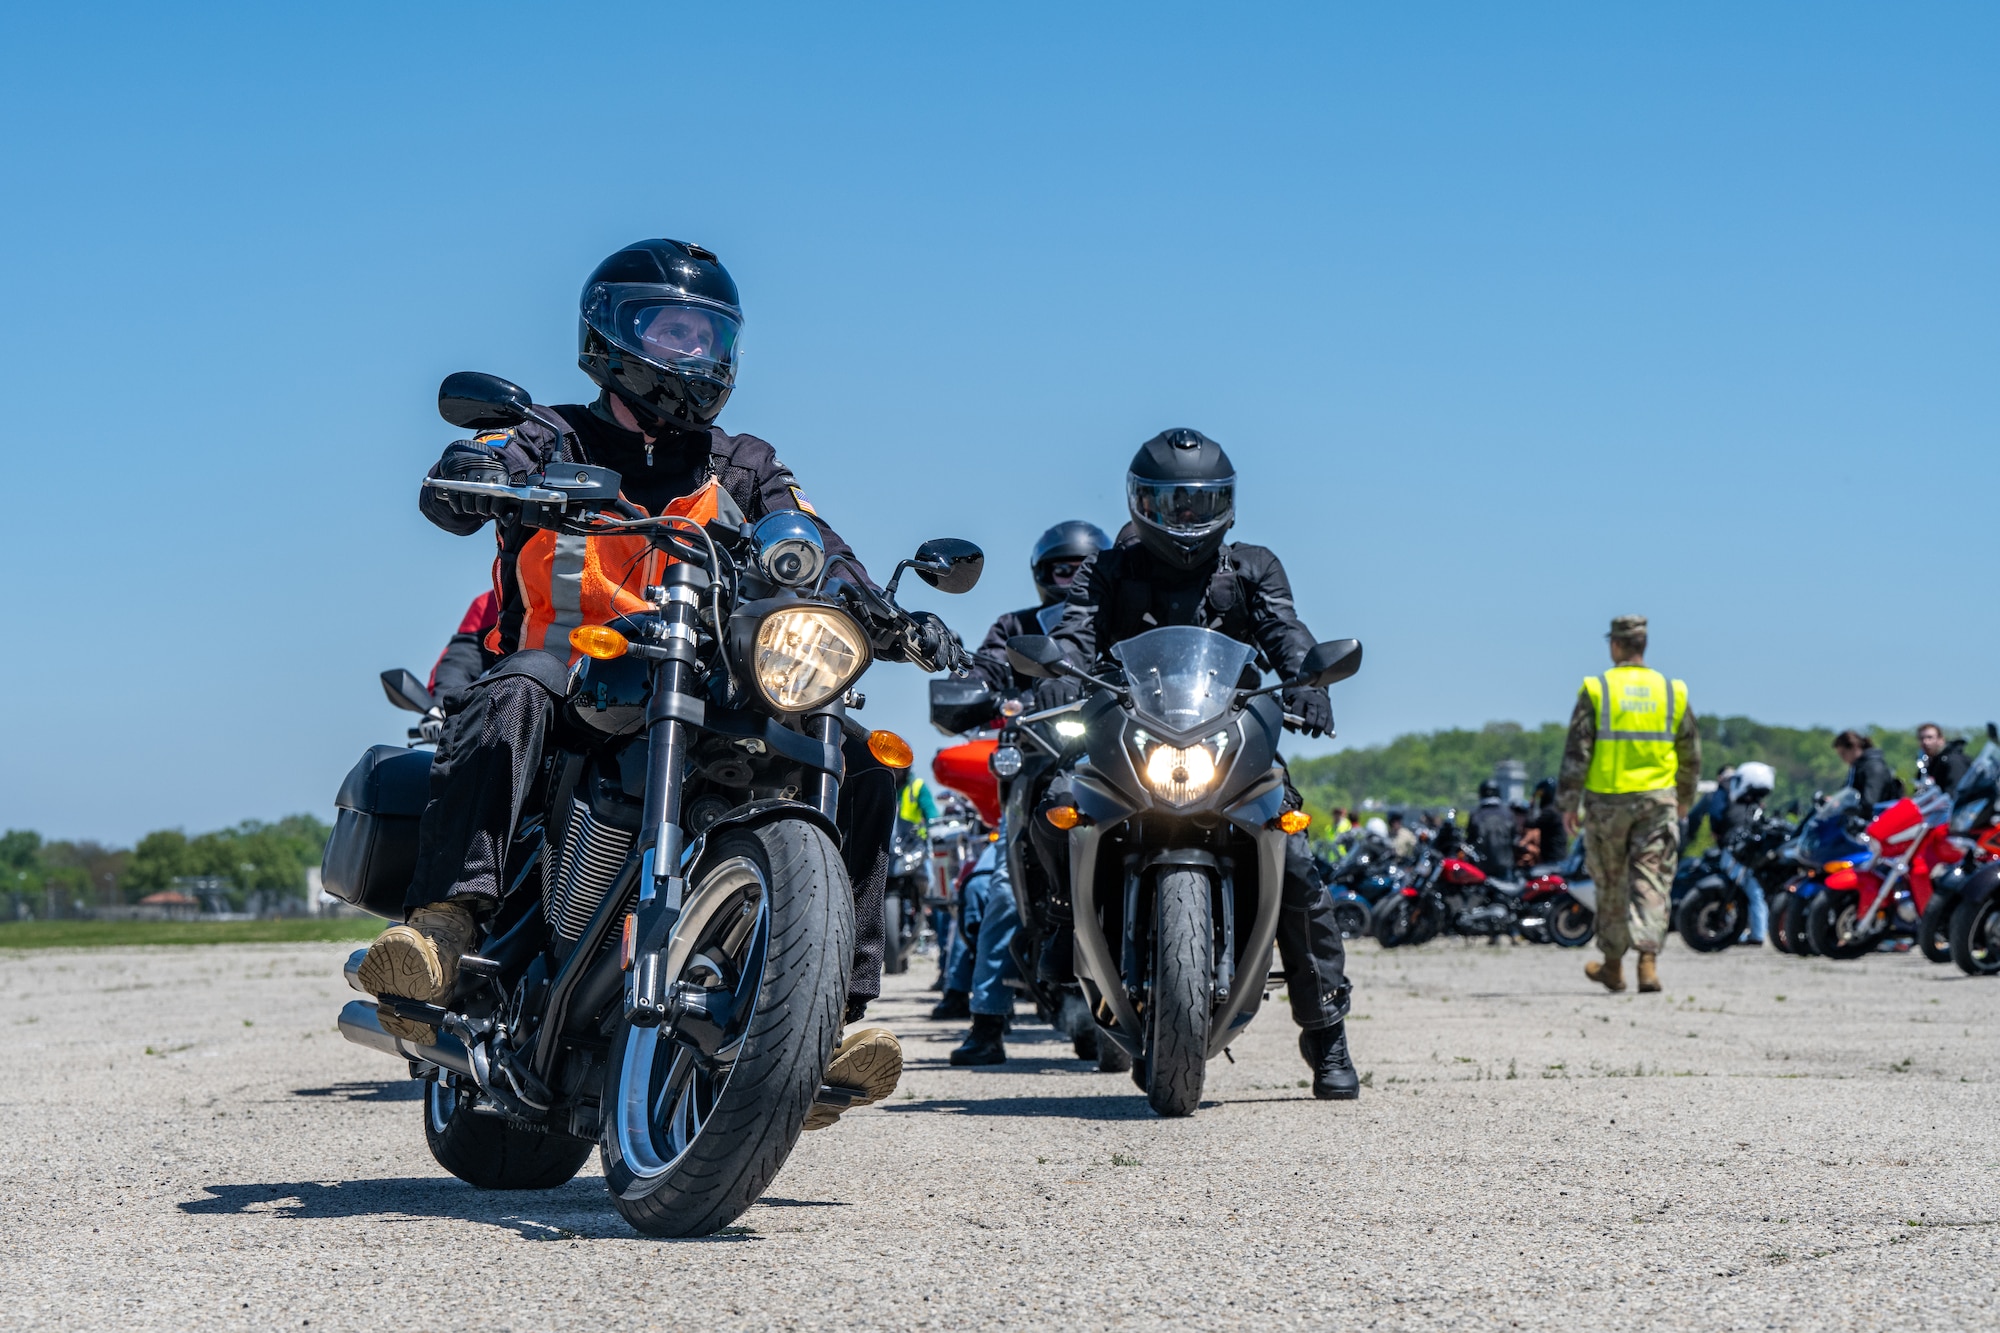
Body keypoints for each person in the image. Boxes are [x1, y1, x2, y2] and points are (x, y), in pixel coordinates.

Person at [356, 238, 938, 1129]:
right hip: (571, 676)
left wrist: (880, 605)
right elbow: (486, 464)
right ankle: (444, 924)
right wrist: (475, 475)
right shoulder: (552, 433)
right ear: (613, 334)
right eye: (672, 331)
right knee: (512, 691)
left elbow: (811, 537)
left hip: (702, 682)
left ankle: (829, 1015)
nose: (693, 353)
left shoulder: (742, 462)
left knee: (863, 761)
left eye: (709, 335)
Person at [1033, 427, 1361, 1100]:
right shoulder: (1108, 569)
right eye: (1170, 502)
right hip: (1131, 737)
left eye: (1200, 502)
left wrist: (1309, 681)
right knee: (1053, 806)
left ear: (1225, 504)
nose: (1185, 516)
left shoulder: (1253, 567)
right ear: (1140, 502)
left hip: (1229, 739)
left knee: (1296, 857)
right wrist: (1058, 671)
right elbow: (1075, 631)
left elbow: (1285, 629)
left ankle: (1326, 1032)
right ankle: (1063, 924)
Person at [1556, 615, 1700, 995]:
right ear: (1643, 645)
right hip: (1656, 801)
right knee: (1651, 880)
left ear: (1615, 645)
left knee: (1610, 883)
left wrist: (1569, 802)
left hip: (1607, 803)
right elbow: (1691, 754)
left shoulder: (1598, 689)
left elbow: (1577, 752)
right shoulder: (1671, 691)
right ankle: (1647, 963)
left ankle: (1613, 966)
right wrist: (1684, 799)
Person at [1831, 730, 1898, 809]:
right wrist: (1833, 801)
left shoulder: (1873, 767)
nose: (1842, 759)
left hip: (1878, 816)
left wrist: (1848, 808)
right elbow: (1847, 793)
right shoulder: (1857, 768)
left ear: (1855, 746)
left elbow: (1869, 802)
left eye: (1843, 753)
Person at [1466, 780, 1517, 877]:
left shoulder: (1476, 815)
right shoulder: (1508, 814)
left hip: (1481, 868)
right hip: (1505, 867)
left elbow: (1469, 840)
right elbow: (1515, 838)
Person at [1917, 723, 1971, 793]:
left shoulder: (1953, 761)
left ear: (1941, 740)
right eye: (1921, 738)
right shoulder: (1928, 765)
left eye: (1930, 737)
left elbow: (1954, 794)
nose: (1925, 742)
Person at [1525, 778, 1567, 867]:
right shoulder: (1557, 809)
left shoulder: (1550, 811)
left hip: (1552, 858)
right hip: (1558, 857)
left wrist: (1531, 806)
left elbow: (1530, 823)